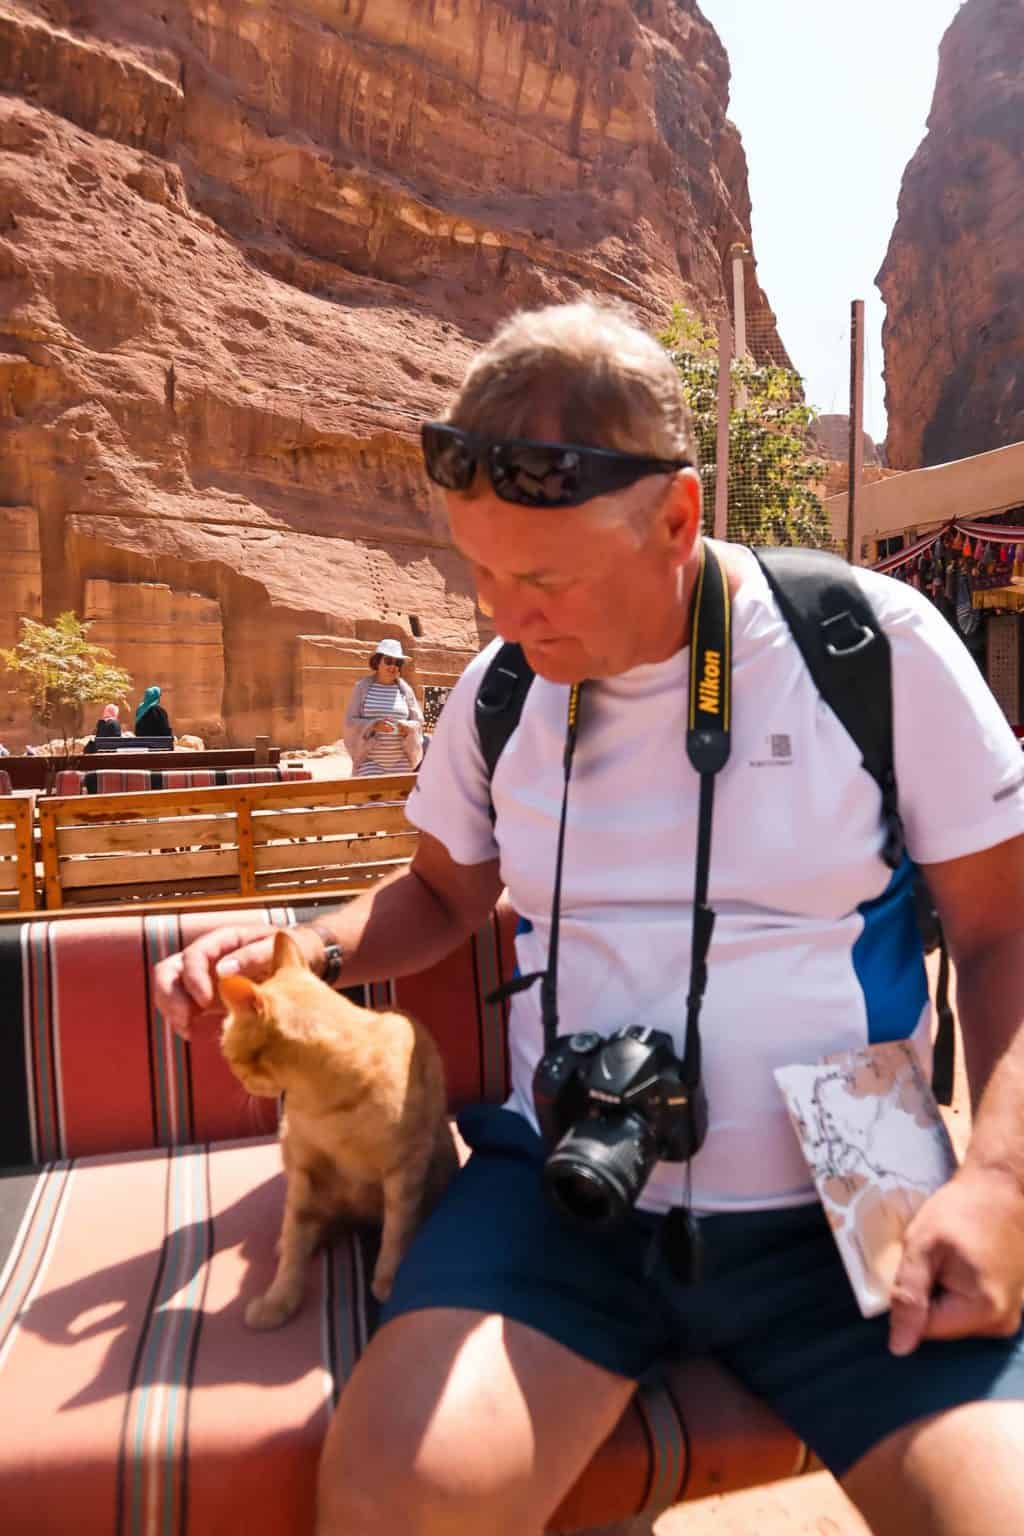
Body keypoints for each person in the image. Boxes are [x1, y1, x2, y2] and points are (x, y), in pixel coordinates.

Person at [153, 301, 1024, 1536]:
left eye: (543, 578)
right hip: (561, 1192)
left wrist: (1000, 1181)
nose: (502, 615)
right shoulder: (503, 691)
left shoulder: (865, 645)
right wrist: (301, 953)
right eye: (480, 571)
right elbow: (443, 894)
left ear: (676, 519)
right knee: (389, 1502)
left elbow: (1006, 933)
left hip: (858, 1188)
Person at [342, 638, 424, 775]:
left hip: (402, 763)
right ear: (377, 662)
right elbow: (350, 723)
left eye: (397, 663)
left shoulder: (405, 690)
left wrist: (408, 728)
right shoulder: (362, 688)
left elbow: (418, 722)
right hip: (370, 762)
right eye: (388, 661)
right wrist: (373, 725)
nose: (393, 666)